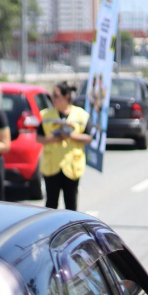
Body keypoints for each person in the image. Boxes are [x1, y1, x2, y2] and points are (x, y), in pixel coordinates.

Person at [36, 81, 92, 211]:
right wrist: (53, 138)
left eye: (56, 96)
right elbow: (38, 137)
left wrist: (70, 136)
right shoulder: (46, 115)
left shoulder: (81, 115)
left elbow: (88, 137)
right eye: (52, 95)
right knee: (51, 204)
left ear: (66, 97)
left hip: (71, 166)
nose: (53, 99)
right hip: (52, 165)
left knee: (71, 204)